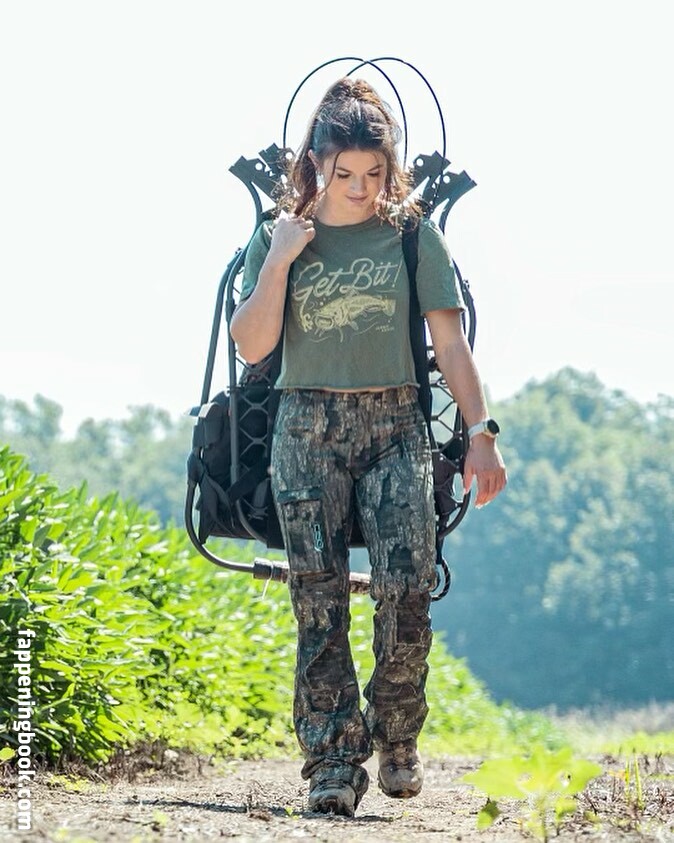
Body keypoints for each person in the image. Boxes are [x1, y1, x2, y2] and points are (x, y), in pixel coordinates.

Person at [230, 76, 507, 817]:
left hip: (395, 429)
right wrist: (280, 258)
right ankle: (332, 761)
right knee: (318, 600)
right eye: (344, 172)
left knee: (407, 588)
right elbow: (252, 345)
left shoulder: (412, 236)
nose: (360, 188)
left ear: (391, 168)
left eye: (374, 173)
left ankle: (397, 737)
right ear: (315, 163)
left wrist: (482, 435)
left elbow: (450, 345)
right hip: (305, 429)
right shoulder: (280, 237)